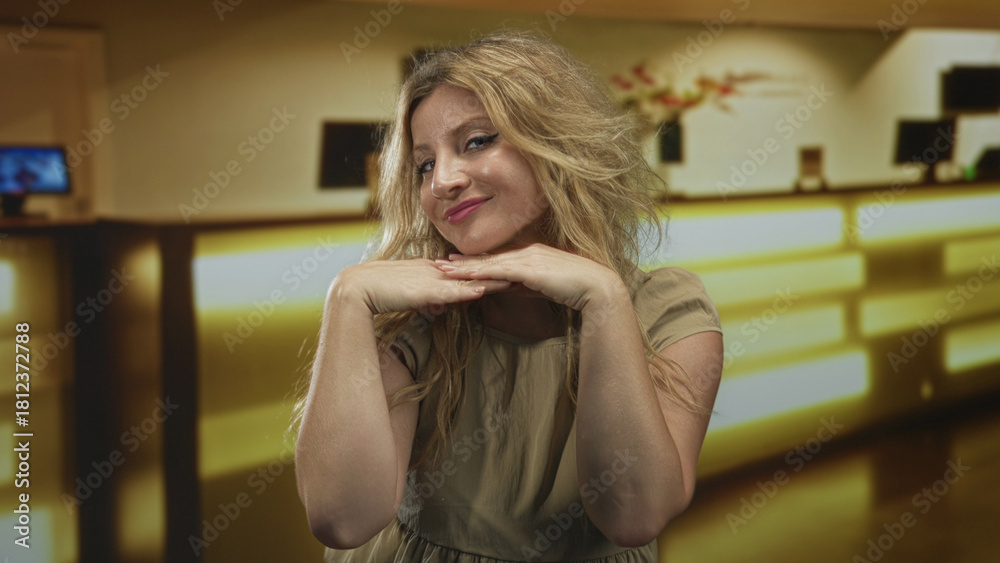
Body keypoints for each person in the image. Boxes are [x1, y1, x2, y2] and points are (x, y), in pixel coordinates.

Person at [293, 30, 723, 562]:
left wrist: (605, 302)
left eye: (476, 141)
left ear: (559, 148)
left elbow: (633, 515)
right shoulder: (415, 319)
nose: (442, 181)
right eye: (424, 164)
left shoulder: (669, 310)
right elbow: (342, 519)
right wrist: (346, 300)